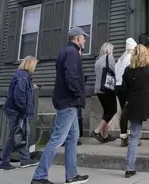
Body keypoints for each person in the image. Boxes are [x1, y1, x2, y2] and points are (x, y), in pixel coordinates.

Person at [31, 27, 90, 184]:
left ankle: (71, 175)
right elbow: (71, 76)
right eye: (83, 37)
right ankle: (39, 176)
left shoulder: (67, 51)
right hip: (69, 101)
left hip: (67, 100)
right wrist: (78, 93)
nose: (85, 40)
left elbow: (69, 75)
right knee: (57, 139)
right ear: (77, 38)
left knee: (72, 138)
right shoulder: (71, 53)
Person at [122, 44, 149, 178]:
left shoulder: (127, 70)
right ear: (146, 54)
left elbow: (124, 88)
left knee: (134, 135)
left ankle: (129, 168)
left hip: (134, 103)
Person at [0, 55, 40, 171]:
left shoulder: (22, 76)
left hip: (17, 110)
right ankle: (4, 162)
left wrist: (31, 86)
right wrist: (23, 109)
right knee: (14, 136)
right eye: (34, 64)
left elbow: (21, 90)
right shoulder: (23, 77)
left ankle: (24, 160)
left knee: (20, 135)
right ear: (30, 64)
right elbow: (20, 95)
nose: (35, 67)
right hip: (16, 111)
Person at [92, 42, 117, 143]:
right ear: (108, 50)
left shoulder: (98, 60)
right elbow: (115, 71)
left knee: (107, 111)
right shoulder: (109, 57)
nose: (112, 52)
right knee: (112, 110)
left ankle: (105, 136)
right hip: (107, 88)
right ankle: (97, 131)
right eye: (112, 50)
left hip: (98, 89)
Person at [114, 37, 137, 146]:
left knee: (124, 111)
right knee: (131, 112)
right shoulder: (130, 58)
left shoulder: (121, 58)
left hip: (117, 86)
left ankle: (124, 136)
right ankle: (134, 136)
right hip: (125, 86)